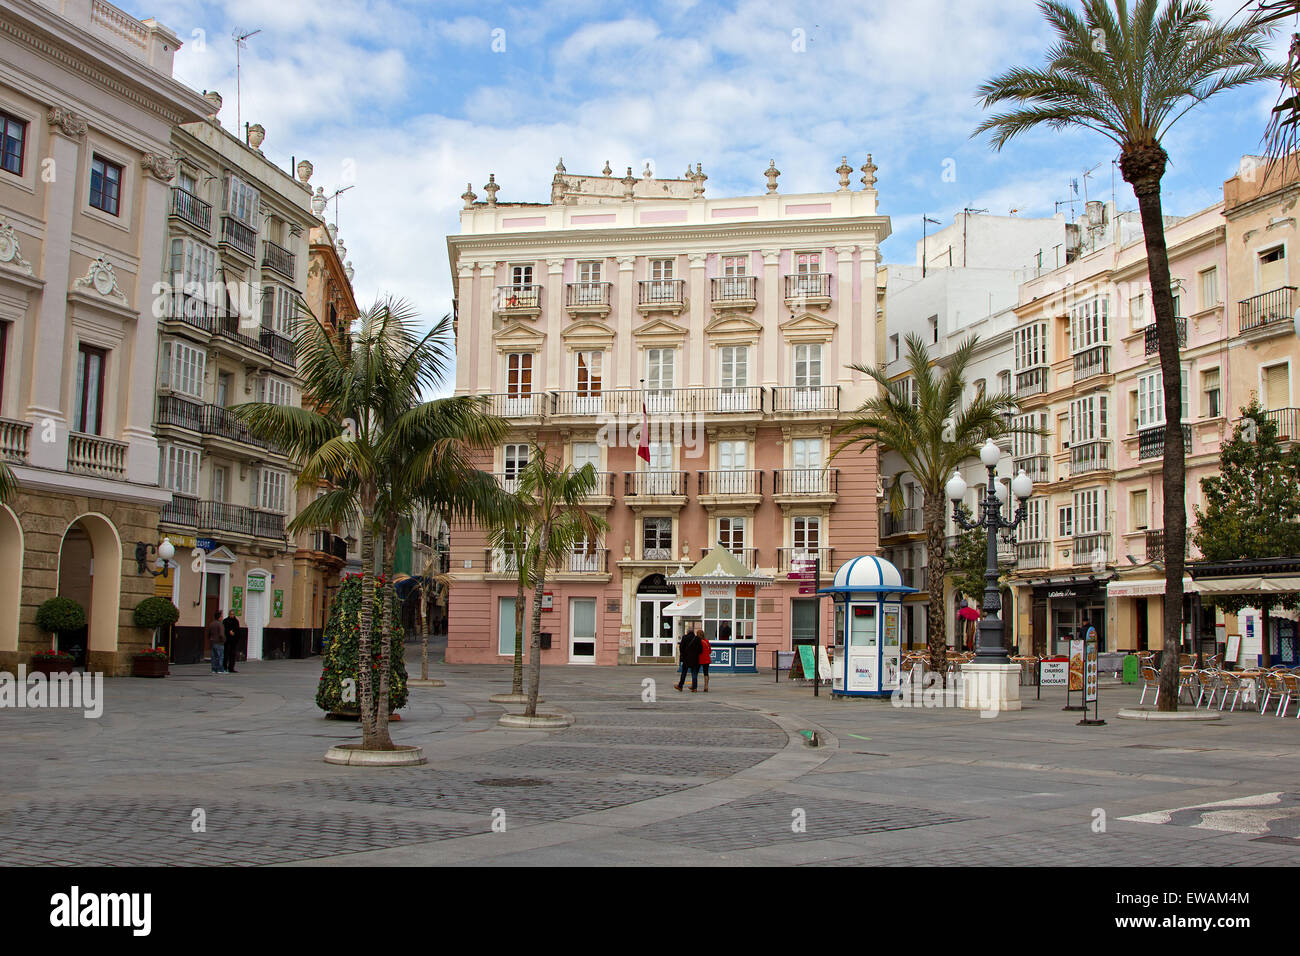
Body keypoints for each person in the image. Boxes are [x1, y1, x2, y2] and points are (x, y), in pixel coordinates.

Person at [676, 626, 702, 693]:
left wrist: (684, 654)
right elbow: (700, 650)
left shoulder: (684, 637)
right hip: (695, 659)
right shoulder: (697, 639)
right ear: (693, 632)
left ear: (687, 632)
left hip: (686, 659)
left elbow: (681, 648)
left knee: (684, 673)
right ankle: (694, 688)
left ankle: (680, 686)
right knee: (694, 673)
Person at [207, 610, 226, 675]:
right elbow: (221, 634)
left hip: (212, 642)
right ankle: (220, 669)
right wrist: (224, 640)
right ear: (219, 617)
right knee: (220, 656)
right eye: (221, 616)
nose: (222, 617)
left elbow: (208, 633)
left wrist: (210, 639)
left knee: (214, 657)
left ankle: (214, 669)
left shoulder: (211, 624)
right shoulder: (220, 624)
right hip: (219, 642)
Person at [698, 625, 712, 693]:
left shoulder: (698, 642)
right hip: (706, 659)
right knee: (706, 673)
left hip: (699, 659)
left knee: (695, 672)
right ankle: (706, 686)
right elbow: (710, 651)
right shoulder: (706, 641)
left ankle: (694, 685)